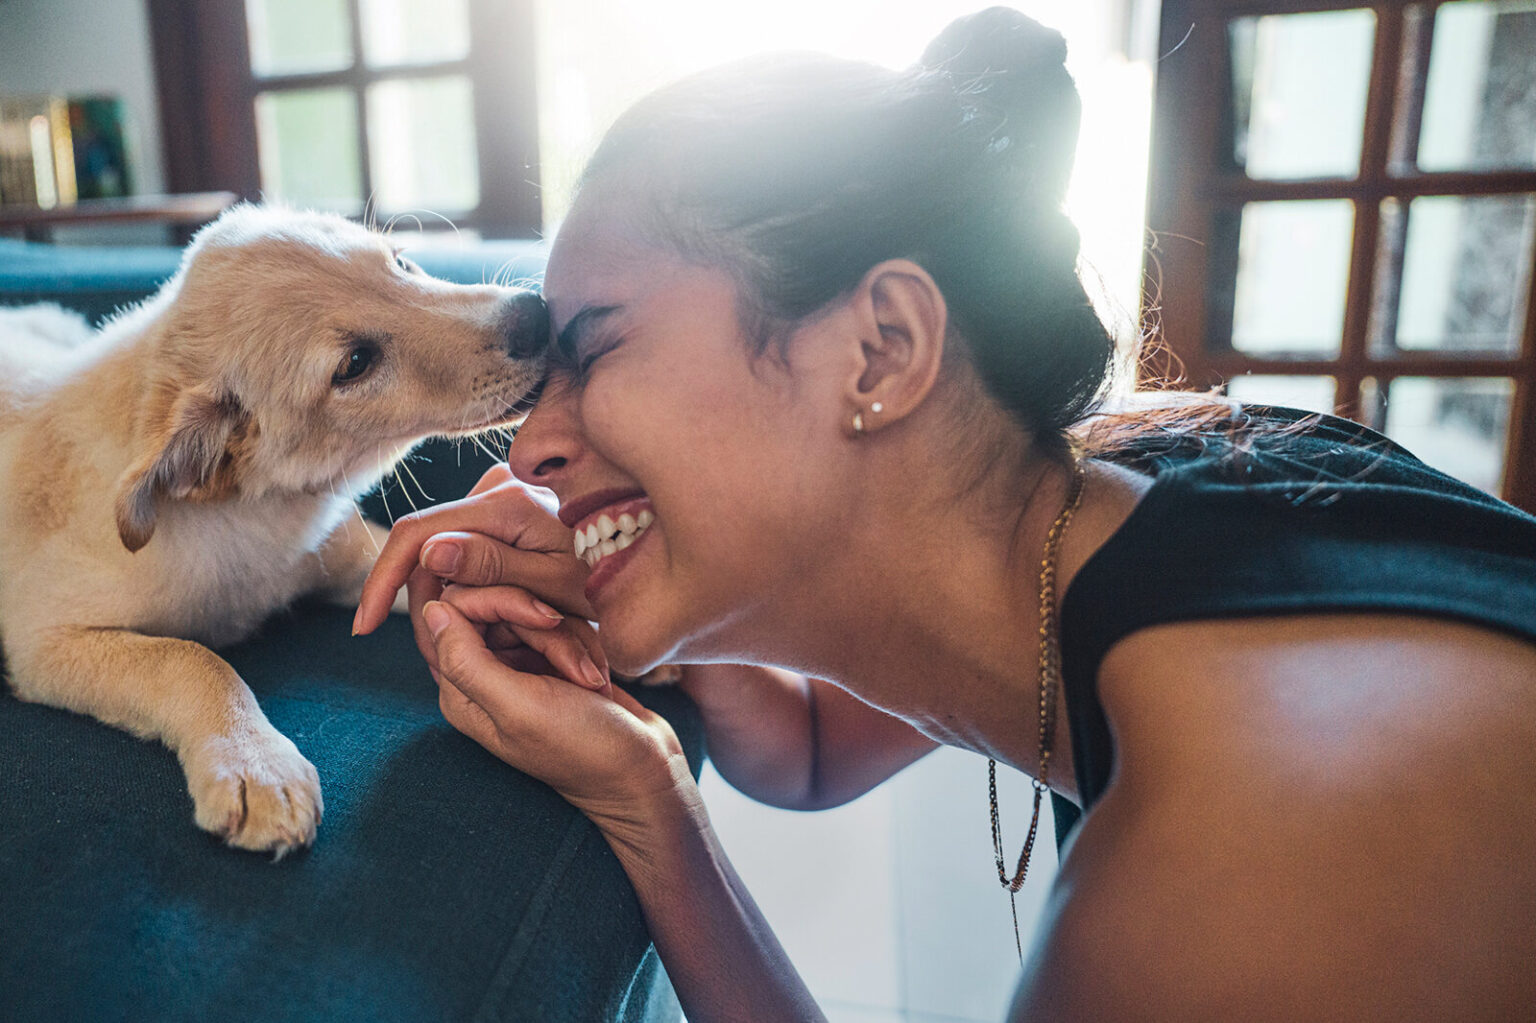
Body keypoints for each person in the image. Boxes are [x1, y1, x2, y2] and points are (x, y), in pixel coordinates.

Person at [353, 8, 1536, 1020]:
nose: (530, 449)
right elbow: (810, 749)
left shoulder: (1239, 893)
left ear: (884, 346)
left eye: (593, 349)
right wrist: (644, 761)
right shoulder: (1136, 492)